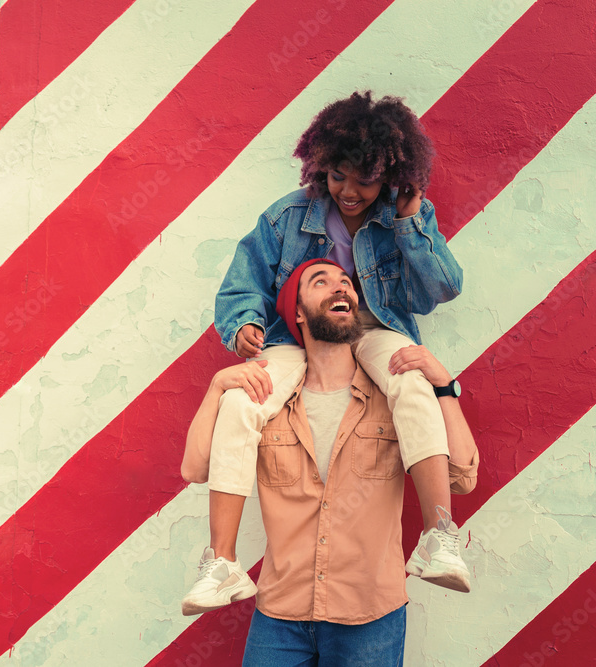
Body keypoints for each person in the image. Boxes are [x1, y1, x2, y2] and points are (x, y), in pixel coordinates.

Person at [180, 91, 469, 616]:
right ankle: (221, 563)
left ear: (392, 173)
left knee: (411, 381)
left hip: (377, 327)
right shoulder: (287, 217)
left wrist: (409, 223)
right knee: (245, 399)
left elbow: (442, 289)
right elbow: (242, 284)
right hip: (297, 337)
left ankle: (438, 535)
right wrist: (244, 324)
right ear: (321, 167)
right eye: (339, 176)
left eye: (365, 180)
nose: (350, 191)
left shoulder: (405, 213)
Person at [189, 260, 479, 665]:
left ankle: (437, 540)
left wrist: (444, 387)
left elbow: (461, 477)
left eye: (346, 282)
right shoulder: (265, 402)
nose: (340, 287)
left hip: (370, 615)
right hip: (280, 615)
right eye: (320, 282)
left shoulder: (392, 392)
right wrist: (217, 387)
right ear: (297, 312)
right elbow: (196, 468)